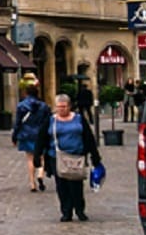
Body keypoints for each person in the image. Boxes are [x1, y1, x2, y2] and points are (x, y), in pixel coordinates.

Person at [35, 93, 102, 223]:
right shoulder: (51, 120)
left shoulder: (79, 119)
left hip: (76, 156)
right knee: (62, 185)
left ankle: (79, 209)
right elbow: (41, 138)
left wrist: (95, 156)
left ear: (69, 106)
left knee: (76, 184)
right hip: (57, 157)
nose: (61, 109)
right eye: (59, 107)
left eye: (64, 106)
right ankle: (66, 211)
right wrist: (38, 155)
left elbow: (88, 137)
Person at [12, 78, 51, 193]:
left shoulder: (21, 106)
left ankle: (32, 183)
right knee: (42, 157)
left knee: (30, 158)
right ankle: (40, 174)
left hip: (26, 134)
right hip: (40, 134)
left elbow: (18, 122)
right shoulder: (44, 106)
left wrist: (14, 136)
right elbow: (48, 121)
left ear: (26, 93)